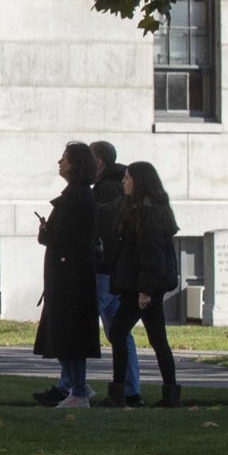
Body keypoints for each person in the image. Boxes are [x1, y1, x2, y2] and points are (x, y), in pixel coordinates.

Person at [32, 142, 103, 407]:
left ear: (76, 164)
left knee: (70, 336)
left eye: (65, 159)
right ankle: (75, 385)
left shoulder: (78, 198)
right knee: (63, 336)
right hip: (66, 275)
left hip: (70, 278)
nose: (60, 163)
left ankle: (79, 389)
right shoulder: (77, 196)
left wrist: (47, 232)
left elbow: (64, 236)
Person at [107, 162, 183, 407]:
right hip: (142, 286)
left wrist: (145, 290)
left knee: (119, 332)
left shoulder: (147, 214)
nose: (124, 182)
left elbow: (152, 256)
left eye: (128, 178)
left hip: (140, 288)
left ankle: (118, 393)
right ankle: (170, 393)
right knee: (158, 339)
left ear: (138, 182)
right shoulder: (145, 210)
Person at [88, 139, 141, 406]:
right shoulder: (115, 187)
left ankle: (72, 385)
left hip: (103, 273)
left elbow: (105, 232)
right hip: (115, 273)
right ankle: (130, 389)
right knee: (120, 333)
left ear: (98, 161)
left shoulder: (105, 189)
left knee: (82, 325)